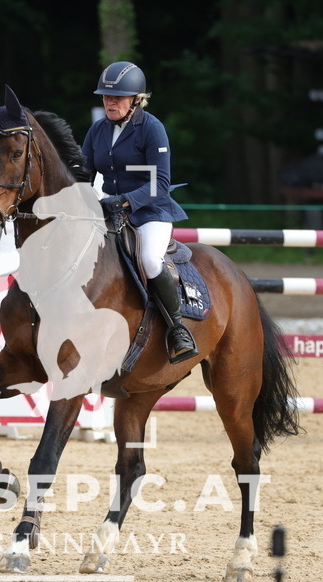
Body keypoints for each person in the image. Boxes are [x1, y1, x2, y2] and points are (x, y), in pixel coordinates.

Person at [81, 61, 198, 364]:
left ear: (135, 99)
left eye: (117, 97)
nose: (110, 102)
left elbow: (160, 182)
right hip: (108, 211)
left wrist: (123, 201)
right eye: (106, 97)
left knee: (149, 259)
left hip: (150, 211)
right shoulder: (97, 130)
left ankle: (178, 328)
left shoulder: (151, 128)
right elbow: (83, 174)